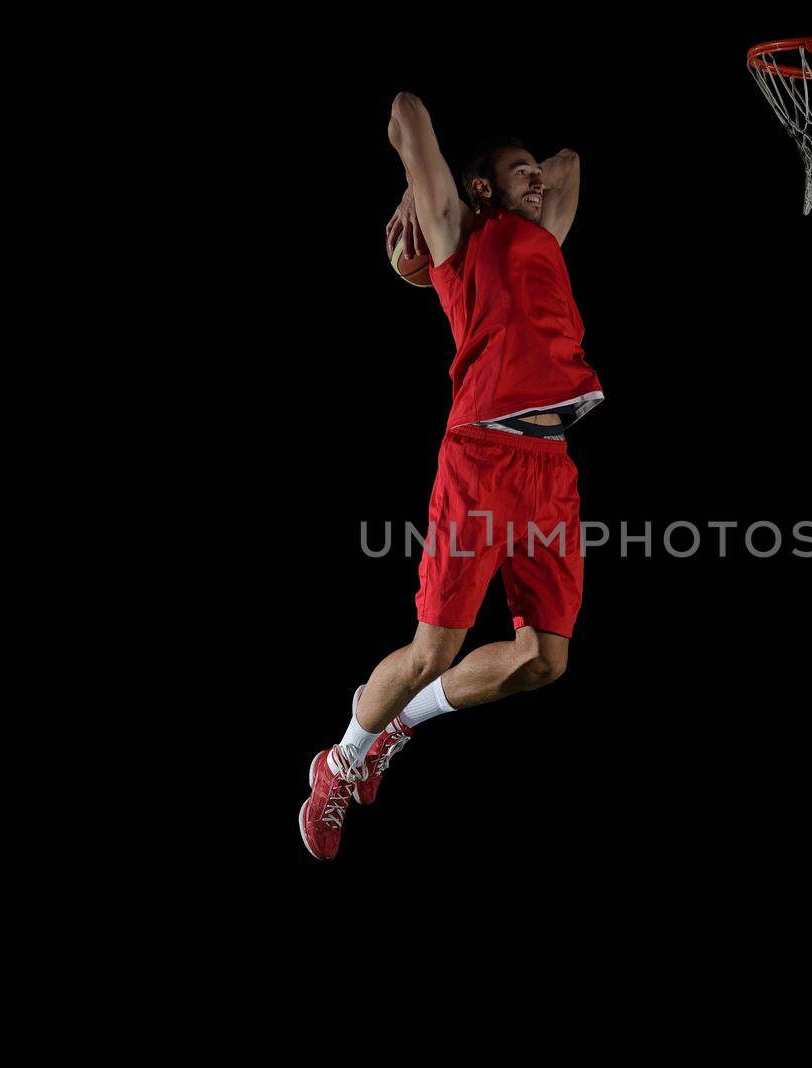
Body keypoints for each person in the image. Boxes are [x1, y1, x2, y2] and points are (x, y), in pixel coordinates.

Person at [301, 92, 604, 860]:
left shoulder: (544, 232)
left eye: (534, 175)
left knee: (545, 661)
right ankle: (338, 762)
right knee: (433, 648)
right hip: (482, 457)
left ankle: (400, 723)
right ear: (479, 189)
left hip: (550, 466)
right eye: (518, 174)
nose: (538, 183)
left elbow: (569, 163)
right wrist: (417, 183)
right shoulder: (460, 238)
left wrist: (533, 171)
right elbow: (405, 112)